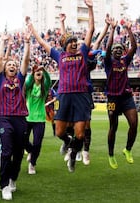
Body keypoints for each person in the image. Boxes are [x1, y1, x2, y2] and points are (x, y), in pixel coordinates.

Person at [28, 0, 95, 172]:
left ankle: (73, 153)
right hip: (64, 96)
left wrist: (90, 9)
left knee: (80, 134)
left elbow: (91, 30)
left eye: (76, 41)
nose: (74, 43)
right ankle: (68, 143)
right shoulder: (60, 56)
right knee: (59, 132)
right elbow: (43, 43)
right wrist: (32, 28)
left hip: (80, 96)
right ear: (65, 45)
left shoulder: (82, 54)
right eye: (71, 42)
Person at [0, 28, 30, 200]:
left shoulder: (20, 79)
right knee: (6, 152)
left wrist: (27, 42)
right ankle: (4, 185)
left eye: (14, 65)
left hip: (20, 119)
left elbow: (25, 60)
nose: (12, 66)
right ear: (4, 69)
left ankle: (13, 178)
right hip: (4, 119)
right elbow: (1, 59)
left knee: (18, 153)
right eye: (9, 65)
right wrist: (2, 42)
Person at [104, 18, 138, 169]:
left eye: (120, 49)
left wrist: (129, 30)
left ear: (123, 52)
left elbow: (135, 46)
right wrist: (112, 29)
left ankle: (127, 149)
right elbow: (109, 45)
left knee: (134, 124)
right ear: (112, 52)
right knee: (113, 127)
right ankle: (111, 154)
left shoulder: (125, 61)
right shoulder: (108, 62)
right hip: (112, 98)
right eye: (115, 49)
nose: (118, 50)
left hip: (126, 97)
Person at [25, 62, 52, 175]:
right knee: (22, 140)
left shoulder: (44, 88)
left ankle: (32, 164)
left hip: (40, 119)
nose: (38, 72)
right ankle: (31, 151)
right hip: (27, 118)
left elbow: (49, 81)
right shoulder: (29, 87)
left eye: (40, 72)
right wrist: (32, 72)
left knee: (37, 143)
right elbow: (27, 82)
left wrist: (44, 70)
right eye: (37, 72)